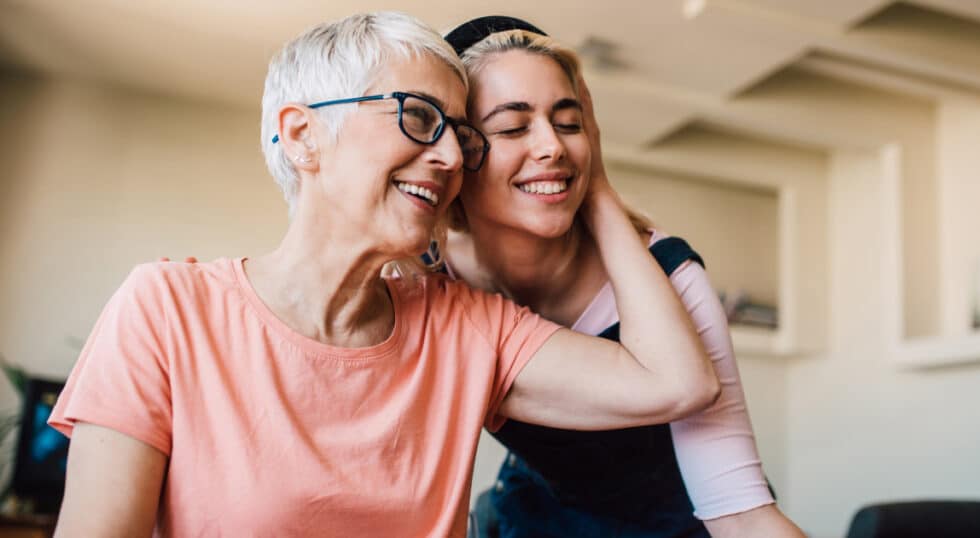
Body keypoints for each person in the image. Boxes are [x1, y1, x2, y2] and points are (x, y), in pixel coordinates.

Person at [47, 12, 720, 537]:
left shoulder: (464, 326)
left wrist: (593, 182)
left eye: (460, 133)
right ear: (303, 136)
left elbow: (677, 382)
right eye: (420, 118)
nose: (454, 155)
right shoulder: (167, 310)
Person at [440, 16, 805, 538]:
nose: (552, 146)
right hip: (532, 522)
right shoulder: (434, 279)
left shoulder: (670, 274)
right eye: (513, 127)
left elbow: (741, 512)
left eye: (569, 123)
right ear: (458, 153)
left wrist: (601, 191)